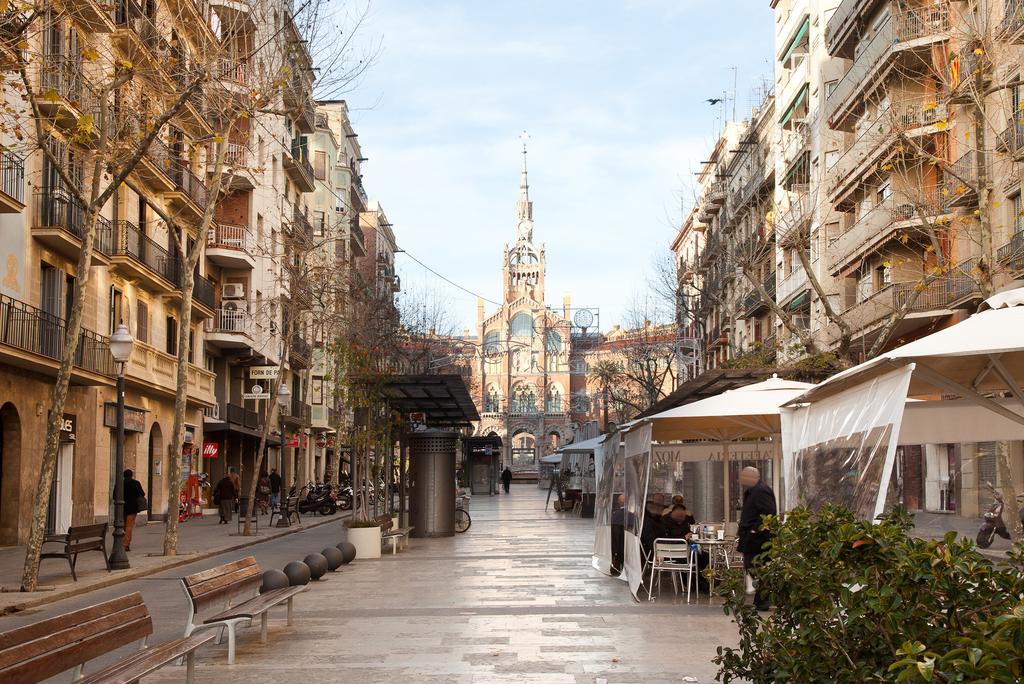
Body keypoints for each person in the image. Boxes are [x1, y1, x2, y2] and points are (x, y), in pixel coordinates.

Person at [738, 466, 777, 611]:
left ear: (753, 477)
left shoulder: (761, 491)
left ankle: (763, 600)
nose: (742, 479)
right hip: (751, 540)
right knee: (752, 568)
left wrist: (755, 530)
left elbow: (769, 513)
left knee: (757, 568)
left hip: (758, 541)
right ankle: (761, 599)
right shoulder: (751, 491)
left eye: (744, 476)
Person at [122, 469, 146, 552]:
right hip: (132, 507)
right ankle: (125, 544)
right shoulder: (135, 483)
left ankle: (122, 543)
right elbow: (142, 494)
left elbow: (114, 495)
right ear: (131, 475)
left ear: (123, 475)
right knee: (129, 526)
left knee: (122, 526)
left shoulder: (120, 483)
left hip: (121, 507)